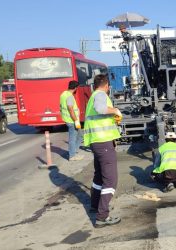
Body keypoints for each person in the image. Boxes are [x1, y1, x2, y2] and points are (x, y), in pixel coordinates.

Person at [84, 74, 123, 228]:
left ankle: (96, 205)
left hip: (96, 141)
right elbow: (101, 109)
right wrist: (116, 110)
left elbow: (98, 115)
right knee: (111, 179)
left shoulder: (93, 96)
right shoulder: (100, 95)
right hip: (103, 141)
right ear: (106, 85)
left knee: (99, 176)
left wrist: (112, 117)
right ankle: (102, 216)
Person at [60, 80, 84, 161]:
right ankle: (72, 155)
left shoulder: (63, 94)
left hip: (68, 119)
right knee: (73, 138)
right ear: (76, 88)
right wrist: (76, 120)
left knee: (80, 134)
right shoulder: (70, 96)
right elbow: (70, 109)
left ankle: (73, 151)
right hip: (72, 120)